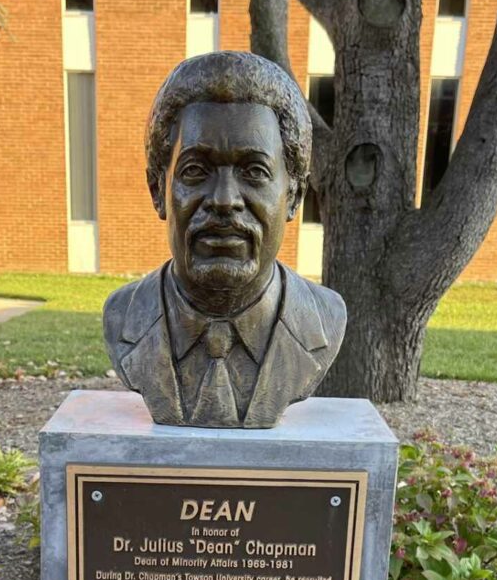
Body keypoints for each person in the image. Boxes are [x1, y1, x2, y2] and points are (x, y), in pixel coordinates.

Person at [103, 51, 346, 429]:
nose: (224, 201)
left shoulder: (324, 319)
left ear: (294, 196)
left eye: (255, 171)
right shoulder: (123, 318)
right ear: (158, 190)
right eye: (196, 170)